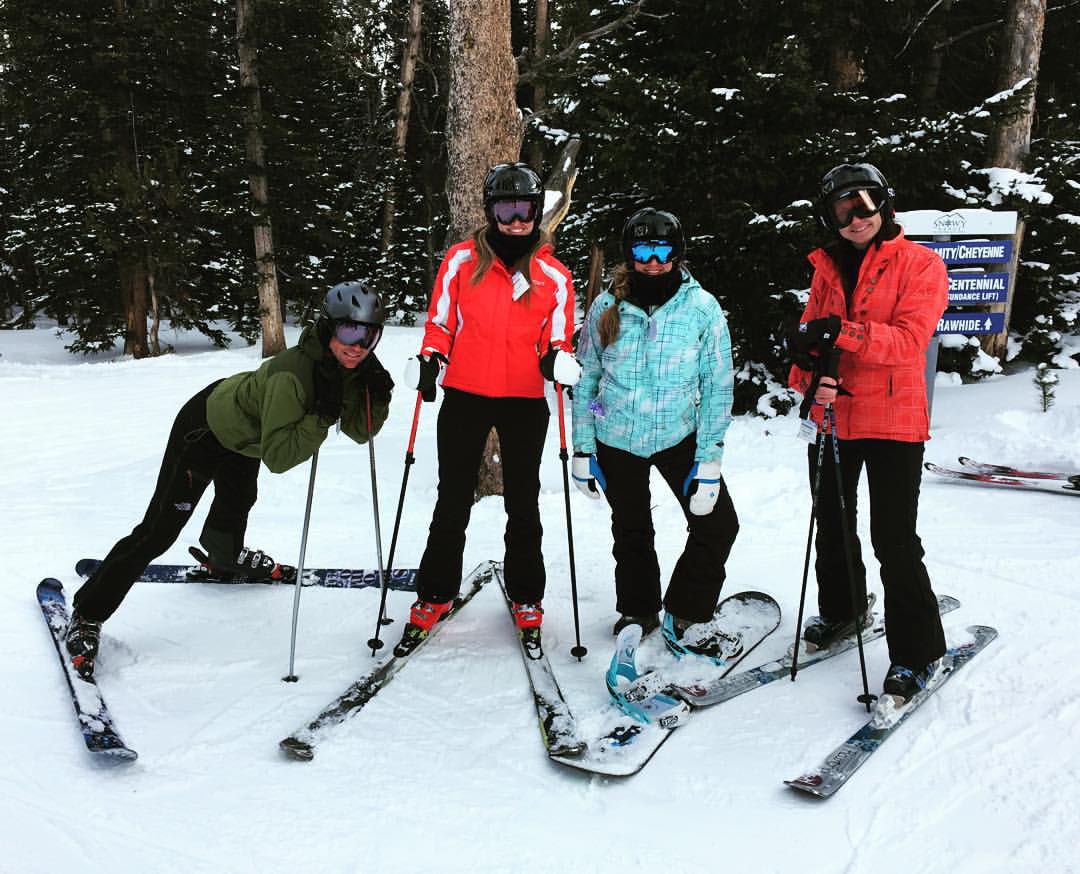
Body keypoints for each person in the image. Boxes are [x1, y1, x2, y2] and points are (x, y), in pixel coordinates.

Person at [65, 281, 394, 678]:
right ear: (329, 327)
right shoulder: (293, 376)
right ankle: (87, 612)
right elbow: (279, 456)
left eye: (369, 335)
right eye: (349, 331)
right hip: (205, 429)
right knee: (158, 531)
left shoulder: (349, 368)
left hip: (247, 437)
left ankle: (224, 559)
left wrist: (377, 396)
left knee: (238, 500)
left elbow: (360, 432)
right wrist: (321, 417)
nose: (358, 345)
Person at [397, 162, 578, 658]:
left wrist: (556, 360)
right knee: (452, 497)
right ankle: (435, 593)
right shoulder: (460, 261)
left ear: (538, 212)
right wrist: (431, 358)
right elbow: (440, 322)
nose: (516, 222)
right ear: (490, 212)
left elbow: (558, 336)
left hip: (523, 400)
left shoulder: (554, 276)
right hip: (466, 394)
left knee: (525, 502)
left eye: (525, 211)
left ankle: (526, 596)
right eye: (506, 210)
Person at [786, 162, 948, 703]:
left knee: (893, 539)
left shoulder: (920, 264)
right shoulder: (827, 267)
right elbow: (815, 330)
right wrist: (806, 367)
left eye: (863, 204)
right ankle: (844, 608)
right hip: (836, 416)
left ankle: (918, 652)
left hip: (894, 420)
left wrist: (844, 333)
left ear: (884, 204)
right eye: (841, 210)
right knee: (831, 522)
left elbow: (907, 342)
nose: (855, 218)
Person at [571, 208, 740, 665]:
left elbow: (718, 386)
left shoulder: (701, 308)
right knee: (630, 530)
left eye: (663, 249)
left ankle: (685, 610)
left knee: (718, 524)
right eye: (642, 250)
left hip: (677, 435)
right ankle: (638, 610)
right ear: (630, 254)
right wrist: (583, 448)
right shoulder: (607, 307)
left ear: (677, 253)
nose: (653, 260)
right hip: (617, 437)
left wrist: (709, 460)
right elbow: (587, 379)